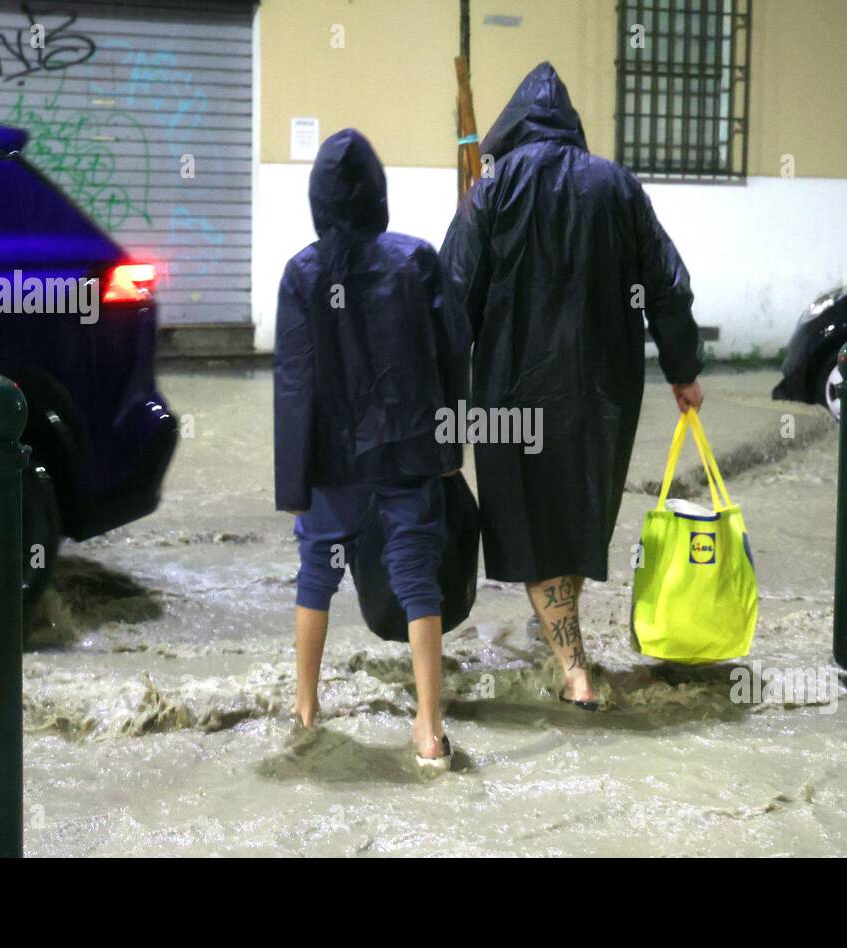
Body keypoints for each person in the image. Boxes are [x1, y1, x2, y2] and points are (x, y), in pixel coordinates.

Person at [440, 63, 704, 708]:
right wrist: (683, 369)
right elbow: (667, 284)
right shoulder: (617, 185)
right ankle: (565, 641)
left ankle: (574, 667)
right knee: (579, 516)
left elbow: (452, 298)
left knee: (530, 522)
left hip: (510, 393)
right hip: (602, 391)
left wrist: (440, 399)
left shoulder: (491, 188)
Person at [274, 128, 469, 768]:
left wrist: (293, 483)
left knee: (316, 576)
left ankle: (305, 709)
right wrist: (450, 445)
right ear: (378, 193)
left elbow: (295, 381)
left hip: (332, 464)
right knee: (418, 580)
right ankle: (429, 726)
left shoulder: (302, 273)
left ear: (317, 200)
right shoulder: (415, 261)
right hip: (410, 451)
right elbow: (453, 353)